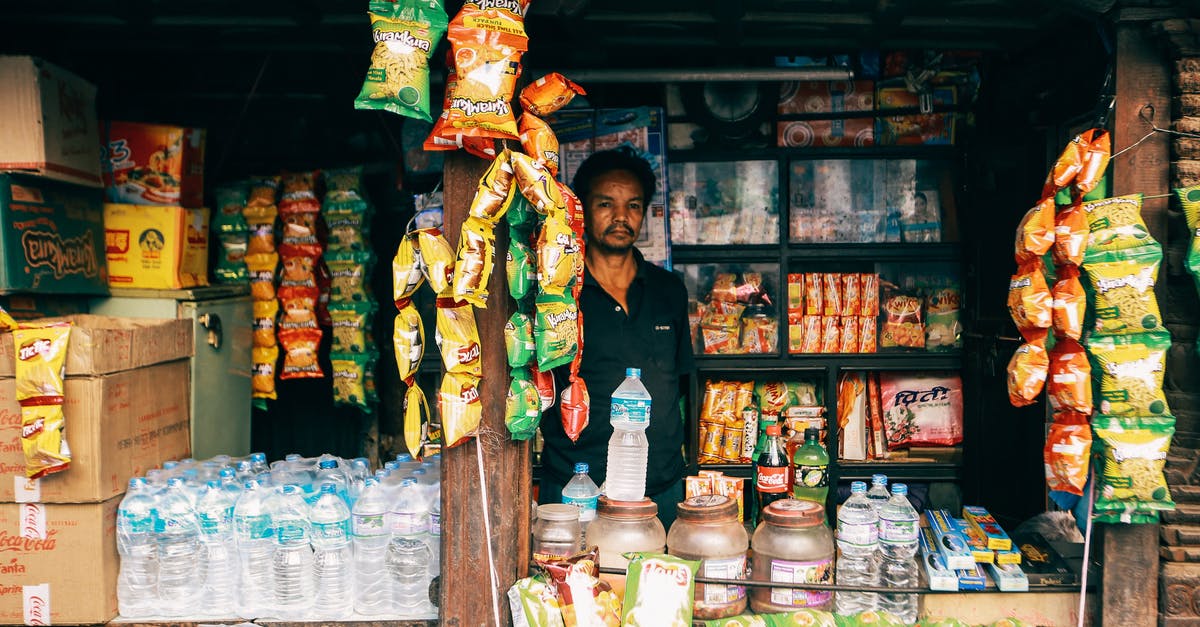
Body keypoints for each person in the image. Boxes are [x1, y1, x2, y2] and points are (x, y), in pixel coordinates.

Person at [538, 146, 694, 531]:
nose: (621, 217)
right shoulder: (557, 291)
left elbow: (684, 383)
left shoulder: (668, 290)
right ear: (584, 210)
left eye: (634, 205)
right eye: (606, 204)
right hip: (577, 487)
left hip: (661, 487)